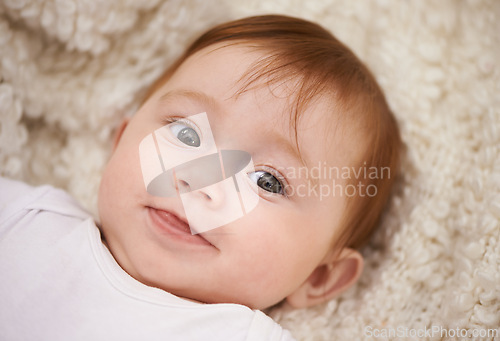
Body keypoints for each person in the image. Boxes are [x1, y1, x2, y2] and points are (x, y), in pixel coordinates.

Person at [0, 15, 401, 340]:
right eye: (186, 134)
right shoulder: (26, 219)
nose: (200, 180)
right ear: (122, 140)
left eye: (267, 181)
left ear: (319, 276)